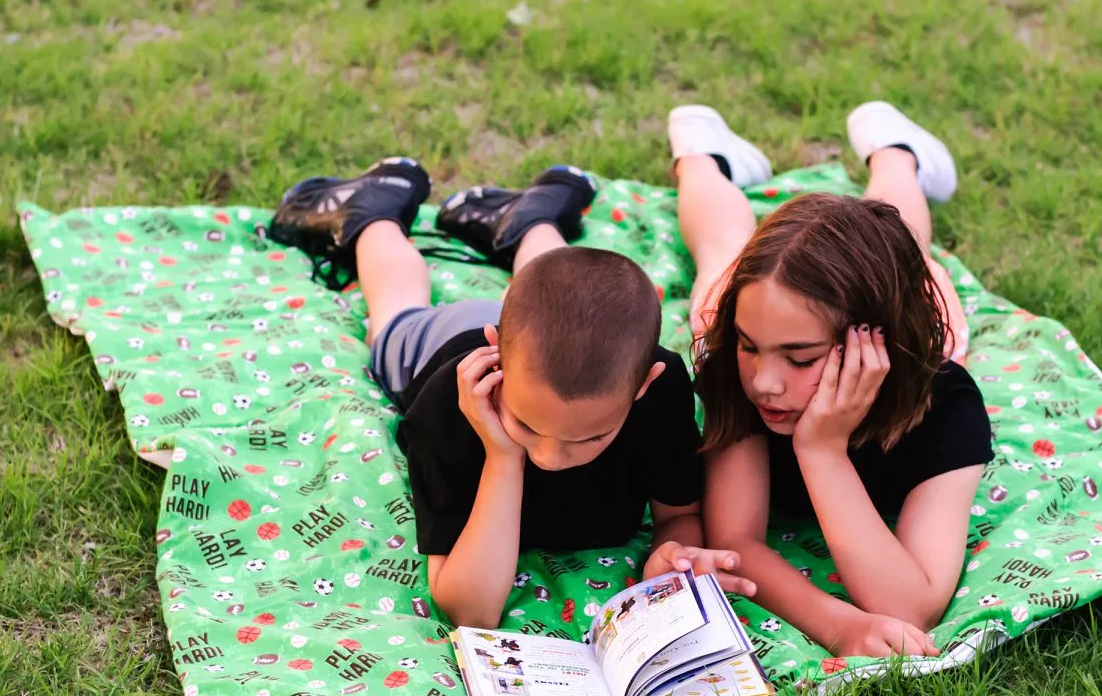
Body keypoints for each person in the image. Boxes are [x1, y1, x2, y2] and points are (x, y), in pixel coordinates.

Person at [267, 158, 752, 629]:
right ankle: (371, 213)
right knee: (395, 308)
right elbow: (469, 610)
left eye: (587, 438)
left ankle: (531, 217)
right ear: (498, 351)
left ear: (643, 384)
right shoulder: (447, 407)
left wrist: (672, 550)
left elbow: (679, 514)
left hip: (541, 339)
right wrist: (502, 456)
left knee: (560, 283)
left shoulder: (660, 390)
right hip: (435, 341)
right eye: (527, 427)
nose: (549, 457)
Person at [666, 102, 993, 659]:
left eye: (800, 358)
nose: (765, 383)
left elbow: (910, 604)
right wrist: (839, 625)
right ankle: (697, 154)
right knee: (721, 260)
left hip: (909, 331)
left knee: (902, 239)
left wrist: (821, 450)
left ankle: (894, 149)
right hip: (737, 306)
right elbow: (734, 539)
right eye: (752, 347)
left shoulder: (945, 405)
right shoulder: (734, 366)